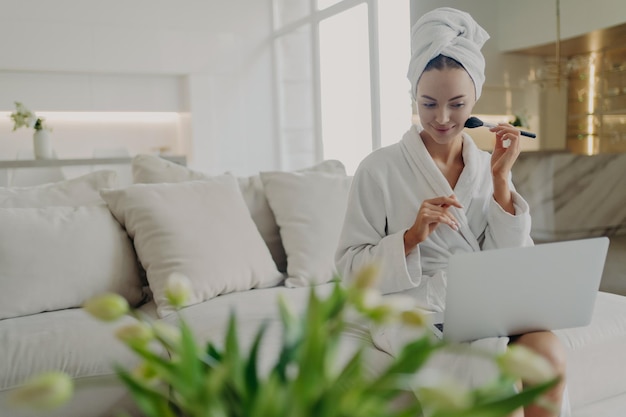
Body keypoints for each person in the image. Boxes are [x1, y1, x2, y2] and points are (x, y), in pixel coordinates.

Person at [335, 7, 567, 417]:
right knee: (482, 368)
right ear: (414, 98)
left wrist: (500, 181)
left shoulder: (485, 166)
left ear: (475, 98)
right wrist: (411, 237)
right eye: (428, 104)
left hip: (482, 306)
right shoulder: (379, 168)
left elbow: (511, 262)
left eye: (457, 104)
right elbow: (349, 269)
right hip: (413, 309)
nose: (441, 118)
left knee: (546, 351)